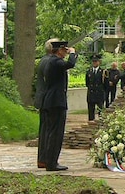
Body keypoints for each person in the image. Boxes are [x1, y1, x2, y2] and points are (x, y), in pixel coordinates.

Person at [41, 41, 78, 171]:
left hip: (52, 101)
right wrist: (73, 53)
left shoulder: (51, 61)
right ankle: (52, 163)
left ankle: (50, 161)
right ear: (59, 50)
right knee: (55, 134)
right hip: (56, 102)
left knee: (53, 133)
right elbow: (71, 64)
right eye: (64, 50)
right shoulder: (55, 62)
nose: (65, 52)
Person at [34, 38, 59, 169]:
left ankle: (42, 159)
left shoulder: (43, 60)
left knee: (44, 131)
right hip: (51, 100)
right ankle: (50, 160)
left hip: (42, 98)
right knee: (51, 131)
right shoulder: (52, 61)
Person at [86, 54, 108, 121]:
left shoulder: (103, 72)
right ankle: (91, 123)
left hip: (99, 94)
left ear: (99, 62)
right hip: (91, 93)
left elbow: (106, 84)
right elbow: (87, 83)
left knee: (100, 110)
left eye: (96, 61)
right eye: (93, 61)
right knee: (91, 111)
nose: (94, 63)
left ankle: (101, 123)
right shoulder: (89, 72)